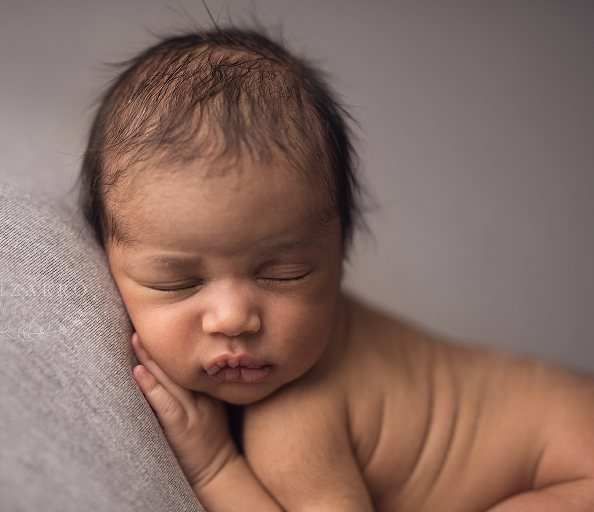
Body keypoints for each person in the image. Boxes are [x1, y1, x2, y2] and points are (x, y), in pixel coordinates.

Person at [78, 25, 594, 512]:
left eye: (284, 274)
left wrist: (214, 467)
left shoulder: (291, 421)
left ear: (339, 252)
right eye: (178, 282)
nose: (233, 318)